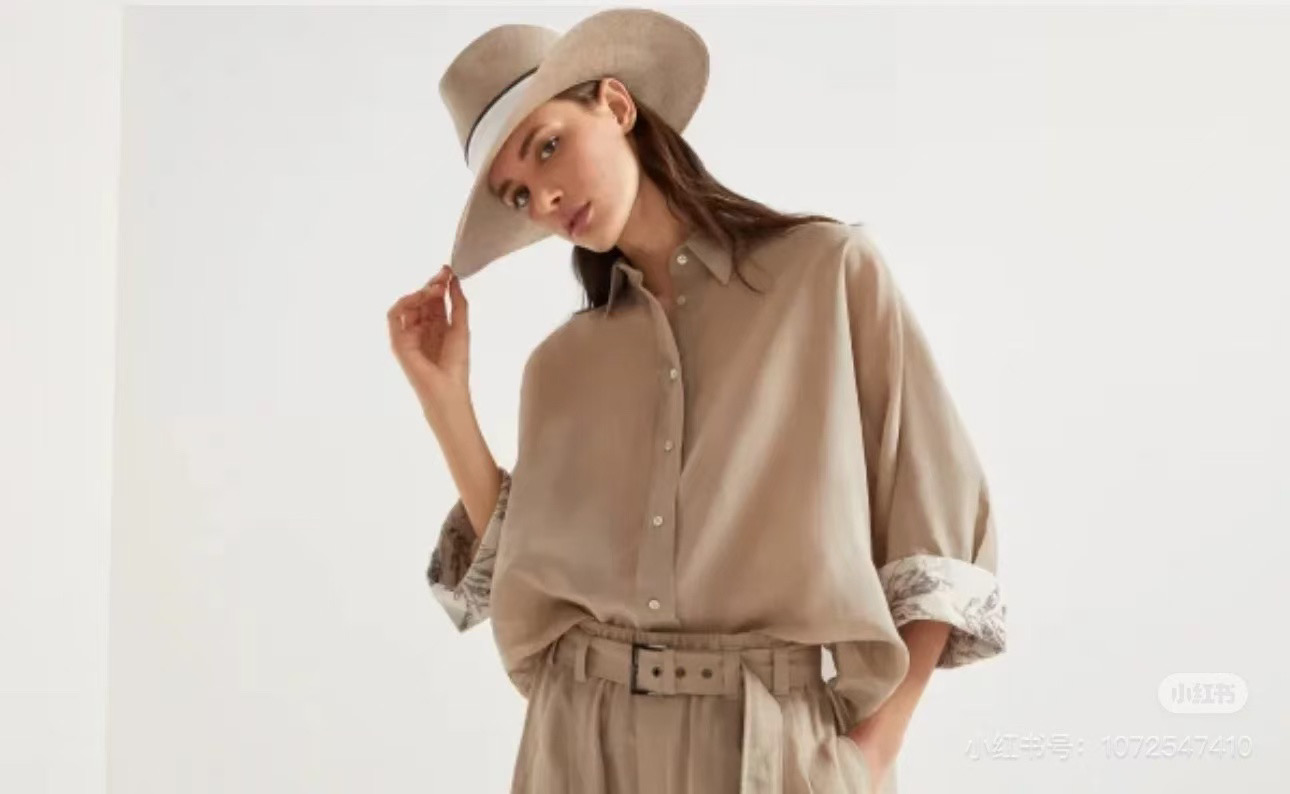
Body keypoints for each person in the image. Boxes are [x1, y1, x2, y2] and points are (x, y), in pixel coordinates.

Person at [387, 8, 1007, 793]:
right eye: (518, 196)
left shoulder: (825, 275)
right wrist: (444, 399)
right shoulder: (561, 365)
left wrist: (872, 752)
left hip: (769, 745)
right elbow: (527, 573)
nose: (545, 197)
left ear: (616, 105)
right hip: (578, 742)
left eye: (547, 146)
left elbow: (938, 521)